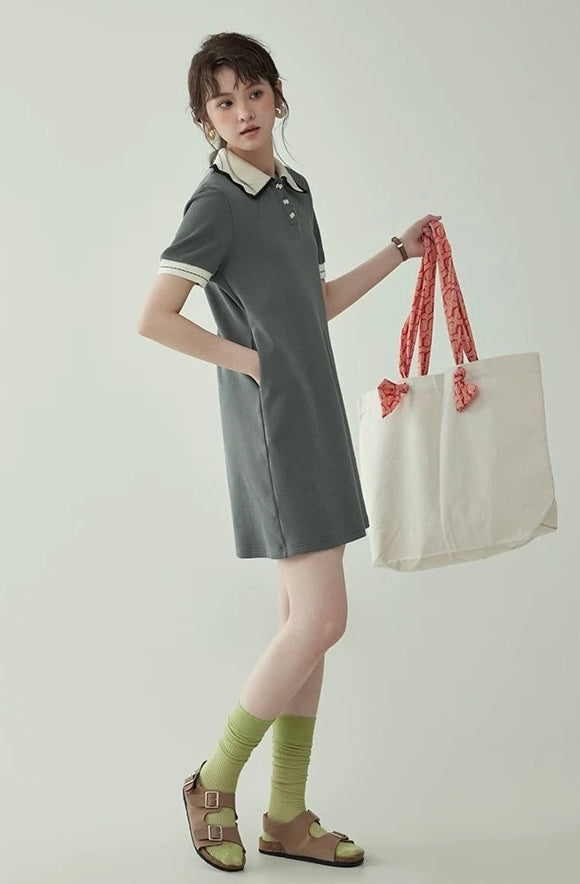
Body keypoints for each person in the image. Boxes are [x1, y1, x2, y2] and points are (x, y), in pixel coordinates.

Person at [138, 31, 441, 873]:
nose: (242, 111)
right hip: (273, 426)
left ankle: (285, 816)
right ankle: (213, 781)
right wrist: (250, 362)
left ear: (277, 97)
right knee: (321, 620)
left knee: (304, 629)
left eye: (253, 94)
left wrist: (397, 252)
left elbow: (314, 301)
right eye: (223, 101)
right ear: (205, 119)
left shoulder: (291, 191)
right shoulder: (215, 204)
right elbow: (155, 316)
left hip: (317, 416)